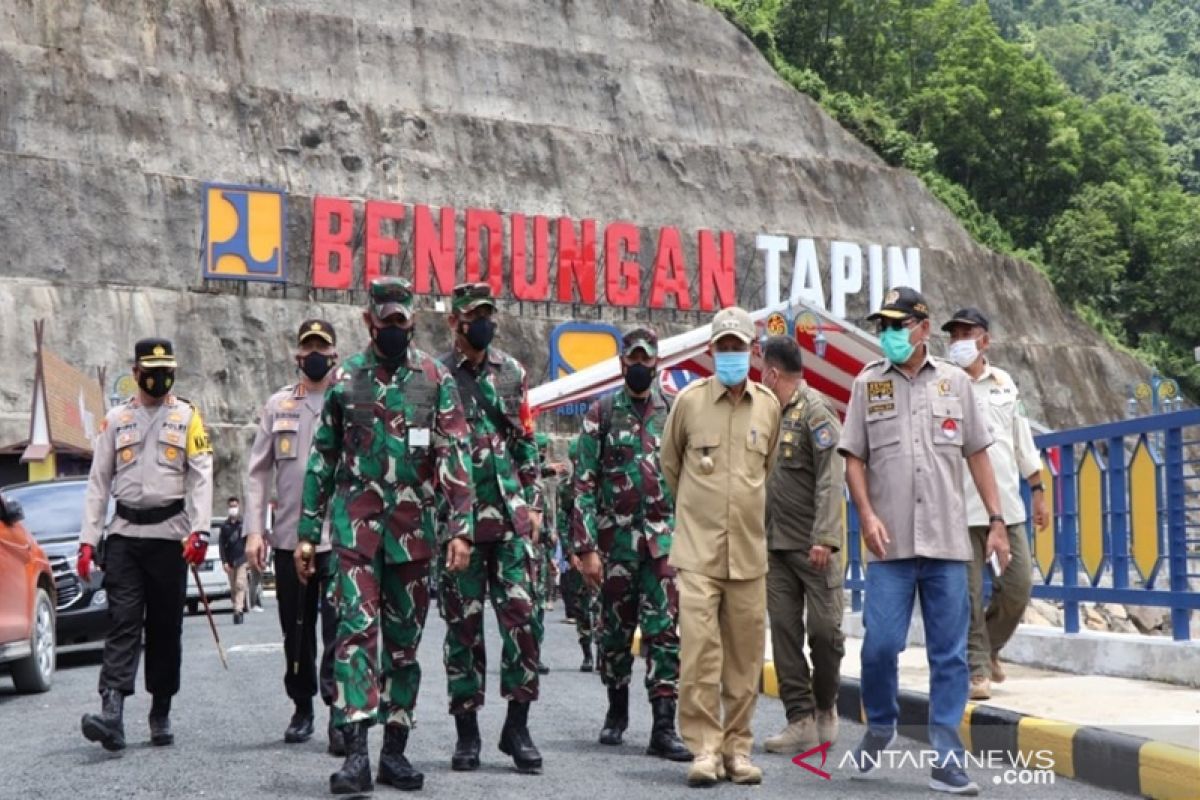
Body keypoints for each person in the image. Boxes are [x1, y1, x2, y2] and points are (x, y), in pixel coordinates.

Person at [299, 278, 474, 794]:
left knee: (404, 647)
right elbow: (322, 460)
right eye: (386, 321)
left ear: (411, 321)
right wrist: (308, 534)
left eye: (402, 321)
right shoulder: (346, 379)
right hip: (356, 530)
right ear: (368, 321)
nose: (394, 329)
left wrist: (459, 530)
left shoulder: (434, 379)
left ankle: (394, 751)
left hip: (413, 534)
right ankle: (355, 753)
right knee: (355, 634)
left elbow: (453, 455)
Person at [837, 287, 1010, 796]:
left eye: (896, 325)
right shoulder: (867, 385)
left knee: (949, 655)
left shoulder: (955, 383)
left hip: (946, 545)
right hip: (889, 546)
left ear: (921, 326)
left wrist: (997, 519)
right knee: (880, 646)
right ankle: (881, 724)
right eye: (882, 327)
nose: (887, 335)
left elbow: (978, 454)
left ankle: (946, 757)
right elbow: (853, 458)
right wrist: (865, 515)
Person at [660, 308, 781, 787]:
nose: (730, 354)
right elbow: (672, 467)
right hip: (698, 554)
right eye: (723, 346)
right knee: (699, 655)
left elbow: (764, 471)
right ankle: (705, 751)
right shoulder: (688, 402)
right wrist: (698, 514)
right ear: (711, 351)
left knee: (745, 660)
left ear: (753, 352)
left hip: (749, 555)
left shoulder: (768, 405)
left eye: (738, 347)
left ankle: (738, 750)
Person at [77, 338, 214, 751]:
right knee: (122, 620)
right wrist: (88, 540)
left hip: (170, 536)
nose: (159, 378)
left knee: (165, 628)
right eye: (151, 370)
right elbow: (98, 483)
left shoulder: (188, 416)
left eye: (166, 369)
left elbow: (201, 475)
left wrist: (201, 531)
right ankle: (112, 712)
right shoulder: (116, 420)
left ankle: (160, 710)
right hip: (124, 536)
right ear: (135, 372)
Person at [439, 281, 544, 775]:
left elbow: (525, 441)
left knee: (524, 620)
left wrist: (535, 504)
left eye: (488, 313)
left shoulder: (512, 373)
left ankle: (517, 726)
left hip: (509, 521)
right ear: (454, 322)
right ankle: (468, 734)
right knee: (463, 631)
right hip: (459, 526)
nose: (483, 322)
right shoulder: (434, 376)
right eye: (473, 315)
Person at [572, 326, 690, 762]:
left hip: (664, 544)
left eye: (647, 358)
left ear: (657, 362)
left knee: (664, 632)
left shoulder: (676, 411)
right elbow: (582, 484)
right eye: (633, 358)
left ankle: (663, 725)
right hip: (615, 545)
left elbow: (693, 478)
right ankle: (616, 710)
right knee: (615, 634)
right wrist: (585, 547)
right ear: (622, 363)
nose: (640, 365)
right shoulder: (601, 413)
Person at [245, 319, 342, 751]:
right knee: (296, 628)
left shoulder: (348, 399)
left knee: (341, 628)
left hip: (340, 538)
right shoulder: (278, 405)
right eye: (308, 348)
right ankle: (302, 706)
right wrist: (253, 532)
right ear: (297, 355)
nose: (315, 354)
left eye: (322, 347)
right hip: (288, 537)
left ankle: (341, 710)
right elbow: (257, 473)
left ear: (335, 353)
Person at [942, 307, 1048, 700]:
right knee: (967, 593)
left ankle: (988, 648)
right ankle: (976, 669)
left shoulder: (1005, 384)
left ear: (984, 340)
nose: (958, 342)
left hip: (1008, 505)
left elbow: (1022, 440)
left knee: (1018, 585)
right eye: (953, 335)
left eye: (965, 334)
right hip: (960, 509)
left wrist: (1037, 490)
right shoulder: (942, 384)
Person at [758, 336, 847, 754]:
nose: (760, 376)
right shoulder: (766, 413)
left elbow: (832, 475)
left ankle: (826, 705)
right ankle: (799, 719)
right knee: (785, 634)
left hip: (815, 547)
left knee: (825, 633)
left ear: (773, 372)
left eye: (763, 370)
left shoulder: (816, 410)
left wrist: (825, 537)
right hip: (775, 546)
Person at [557, 436, 598, 671]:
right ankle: (587, 653)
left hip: (600, 551)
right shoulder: (566, 488)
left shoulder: (601, 482)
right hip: (577, 552)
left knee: (603, 606)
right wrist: (571, 552)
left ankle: (603, 652)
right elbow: (564, 522)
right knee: (582, 606)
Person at [218, 497, 248, 624]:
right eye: (231, 506)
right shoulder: (225, 527)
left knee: (240, 584)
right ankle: (236, 605)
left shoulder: (243, 524)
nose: (233, 509)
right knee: (233, 587)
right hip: (230, 561)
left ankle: (238, 610)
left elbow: (248, 541)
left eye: (235, 506)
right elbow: (221, 545)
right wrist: (224, 561)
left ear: (239, 506)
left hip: (242, 559)